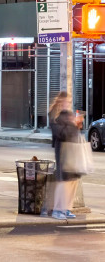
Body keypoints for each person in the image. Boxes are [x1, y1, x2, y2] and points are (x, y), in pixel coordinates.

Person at [49, 91, 83, 220]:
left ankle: (67, 208)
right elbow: (61, 134)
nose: (67, 104)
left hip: (72, 150)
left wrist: (78, 124)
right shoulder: (55, 116)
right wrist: (71, 124)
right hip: (62, 150)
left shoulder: (68, 115)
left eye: (69, 102)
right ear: (60, 102)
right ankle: (58, 209)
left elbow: (73, 132)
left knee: (73, 180)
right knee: (63, 181)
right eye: (65, 102)